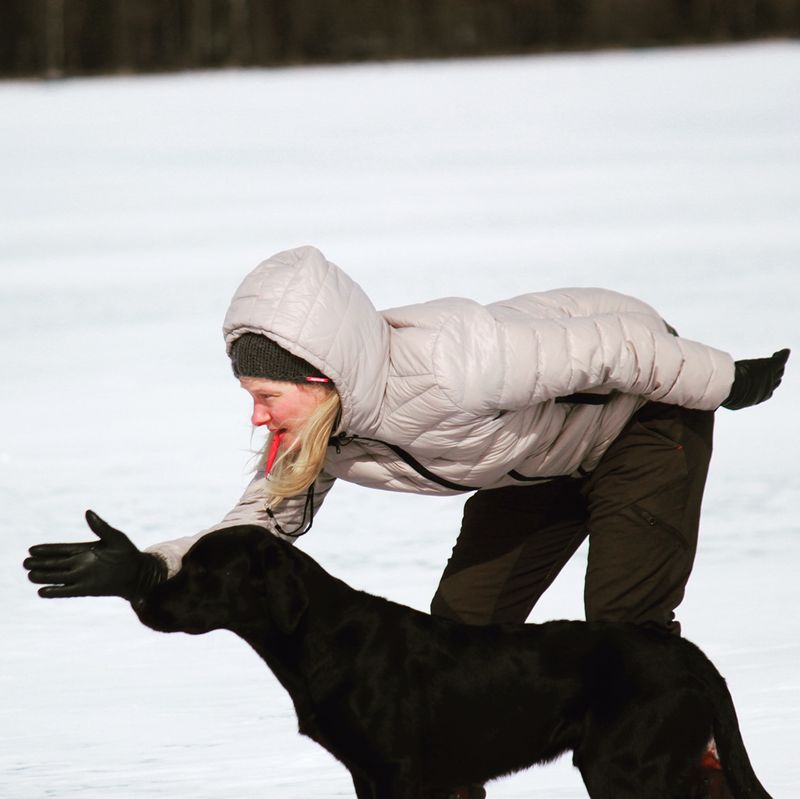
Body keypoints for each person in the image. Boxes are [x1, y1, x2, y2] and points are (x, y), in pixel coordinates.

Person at [25, 245, 789, 799]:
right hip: (532, 458)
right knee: (462, 630)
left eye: (266, 393)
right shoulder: (315, 434)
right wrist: (148, 570)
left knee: (628, 635)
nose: (256, 413)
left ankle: (699, 777)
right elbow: (252, 533)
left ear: (318, 379)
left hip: (645, 419)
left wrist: (724, 379)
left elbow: (615, 350)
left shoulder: (459, 364)